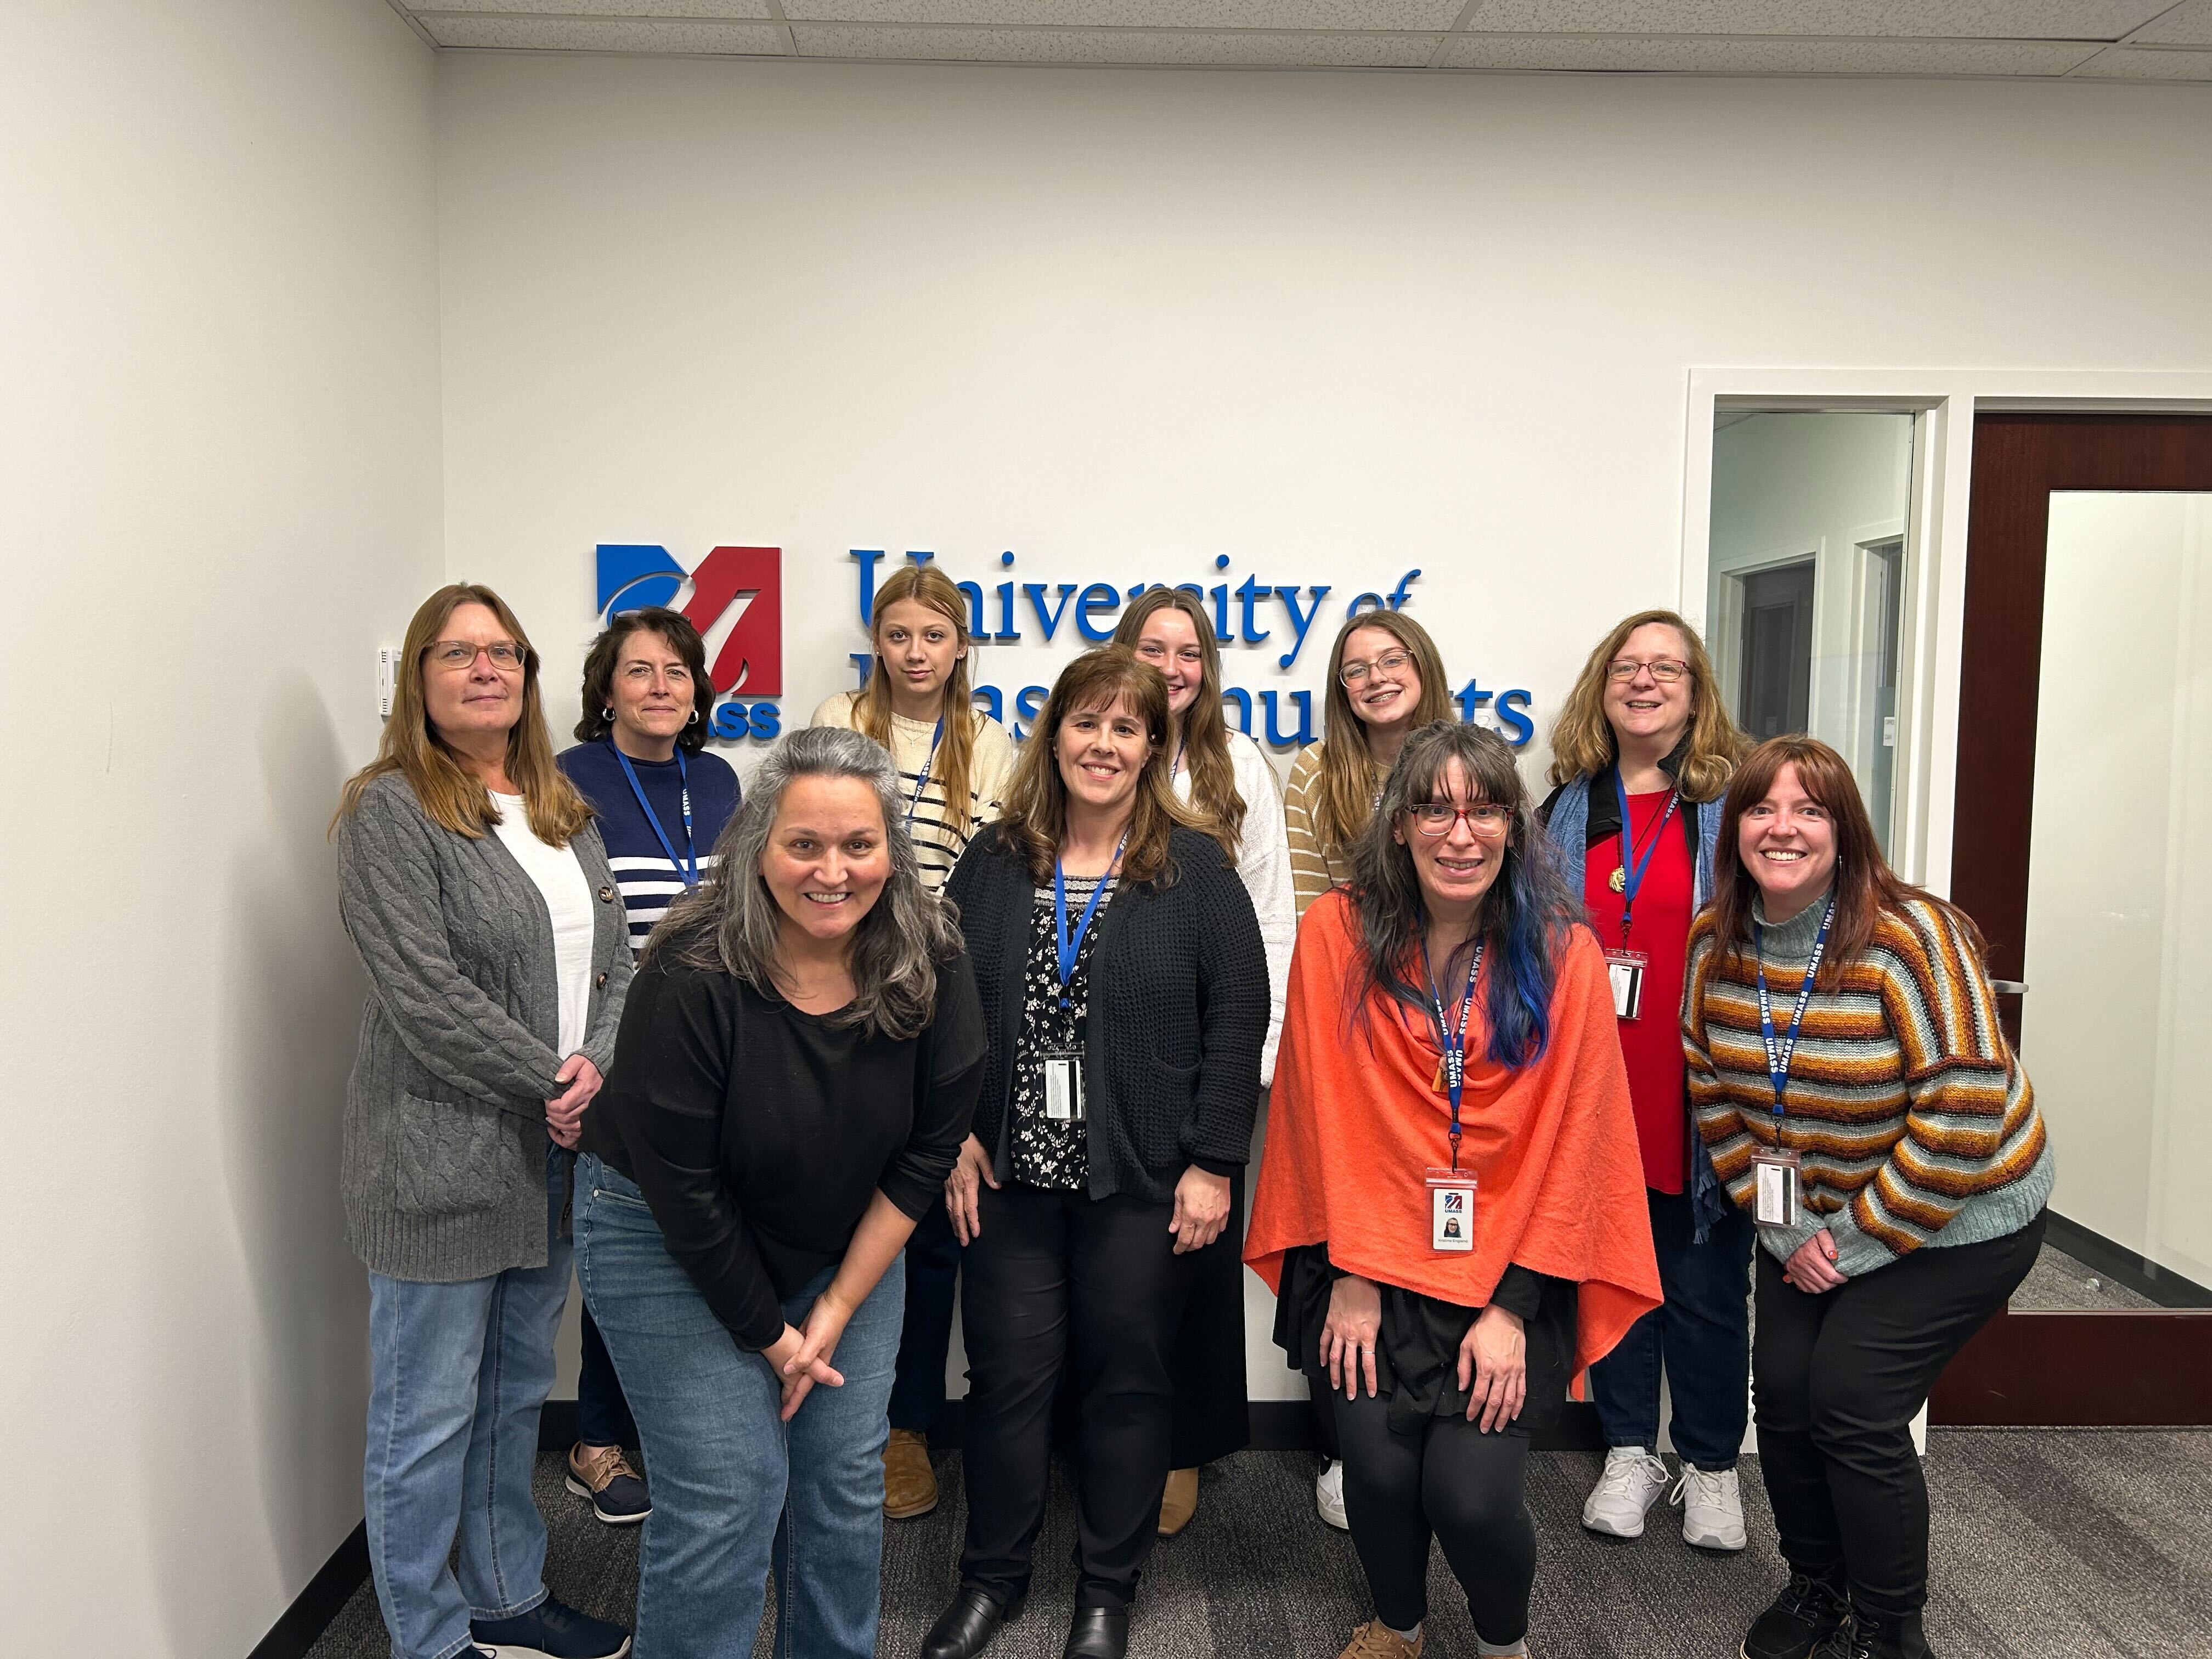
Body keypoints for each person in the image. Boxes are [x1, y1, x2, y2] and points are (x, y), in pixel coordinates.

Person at [1247, 720, 1662, 1659]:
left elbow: (1582, 1146)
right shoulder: (1335, 935)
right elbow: (1315, 1119)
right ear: (1400, 826)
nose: (1459, 834)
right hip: (1362, 1267)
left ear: (1515, 828)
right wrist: (1348, 1276)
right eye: (1434, 809)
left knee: (1469, 1502)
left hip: (1511, 1271)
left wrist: (1513, 1310)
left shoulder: (1564, 956)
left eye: (1483, 810)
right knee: (1379, 1482)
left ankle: (1502, 1644)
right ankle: (1400, 1628)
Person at [576, 726, 987, 1659]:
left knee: (843, 1481)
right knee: (730, 1492)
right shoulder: (691, 969)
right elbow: (683, 1189)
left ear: (893, 849)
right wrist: (777, 1338)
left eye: (858, 844)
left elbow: (927, 1154)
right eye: (804, 844)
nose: (831, 871)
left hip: (845, 1238)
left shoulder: (935, 961)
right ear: (758, 846)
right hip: (663, 1233)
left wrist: (838, 1304)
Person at [923, 648, 1268, 1659]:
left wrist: (1214, 1161)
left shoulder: (1194, 865)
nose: (1104, 745)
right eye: (1087, 723)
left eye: (1127, 729)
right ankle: (991, 1580)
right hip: (1010, 1177)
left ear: (1154, 745)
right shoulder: (995, 859)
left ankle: (1107, 1593)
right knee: (1008, 1381)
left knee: (1126, 1383)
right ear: (1055, 734)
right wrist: (952, 1136)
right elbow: (942, 1009)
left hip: (1144, 1178)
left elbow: (1237, 1013)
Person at [1689, 736, 2054, 1659]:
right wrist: (1787, 1232)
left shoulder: (1912, 937)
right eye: (1762, 810)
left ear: (1844, 833)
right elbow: (1714, 1092)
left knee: (1851, 1395)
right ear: (1735, 832)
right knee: (1781, 1394)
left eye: (1808, 810)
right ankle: (1818, 1588)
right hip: (1803, 1222)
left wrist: (1849, 1244)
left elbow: (1963, 1109)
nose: (1783, 828)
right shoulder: (1713, 942)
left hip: (1964, 1214)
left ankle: (1892, 1630)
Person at [332, 584, 634, 1659]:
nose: (486, 668)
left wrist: (594, 1068)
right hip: (440, 1170)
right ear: (417, 677)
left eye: (504, 652)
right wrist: (557, 1083)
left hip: (549, 1168)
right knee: (423, 1429)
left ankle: (506, 1597)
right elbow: (424, 992)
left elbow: (619, 963)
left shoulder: (559, 809)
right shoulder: (391, 812)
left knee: (510, 1402)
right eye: (458, 653)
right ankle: (425, 1638)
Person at [1536, 610, 1757, 1552]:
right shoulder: (1564, 809)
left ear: (1697, 690)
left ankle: (1711, 1466)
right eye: (1627, 665)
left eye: (1667, 667)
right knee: (1614, 1276)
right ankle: (1631, 1450)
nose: (1645, 680)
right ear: (1602, 685)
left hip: (1698, 1089)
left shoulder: (1733, 803)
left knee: (1706, 1288)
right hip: (1595, 1086)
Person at [812, 562, 1019, 1521]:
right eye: (899, 634)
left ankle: (907, 1426)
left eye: (935, 636)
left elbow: (997, 882)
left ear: (961, 645)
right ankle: (821, 1405)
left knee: (933, 1217)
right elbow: (808, 846)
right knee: (838, 1211)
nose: (916, 652)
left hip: (940, 997)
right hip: (841, 991)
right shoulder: (836, 718)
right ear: (877, 639)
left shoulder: (994, 745)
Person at [1113, 588, 1297, 1536]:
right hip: (1112, 1051)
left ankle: (1181, 1445)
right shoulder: (1096, 744)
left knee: (1189, 1250)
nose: (1173, 668)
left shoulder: (1240, 768)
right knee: (1105, 1258)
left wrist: (1255, 1062)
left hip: (1210, 1051)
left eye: (1190, 652)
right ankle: (1110, 1441)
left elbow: (1271, 918)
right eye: (1155, 648)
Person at [555, 606, 742, 1526]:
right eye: (639, 671)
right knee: (624, 1244)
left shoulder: (717, 780)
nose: (661, 687)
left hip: (711, 1044)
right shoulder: (568, 780)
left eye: (677, 671)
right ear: (606, 689)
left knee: (694, 1241)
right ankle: (595, 1442)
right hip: (611, 1049)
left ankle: (677, 1433)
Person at [1280, 606, 1450, 1525]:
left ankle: (1434, 1423)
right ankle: (1342, 1444)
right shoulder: (1316, 771)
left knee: (1435, 1218)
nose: (1376, 677)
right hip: (1352, 1017)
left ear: (1422, 665)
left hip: (1451, 1028)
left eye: (1392, 661)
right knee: (1338, 1227)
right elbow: (1315, 908)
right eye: (1356, 669)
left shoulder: (1466, 757)